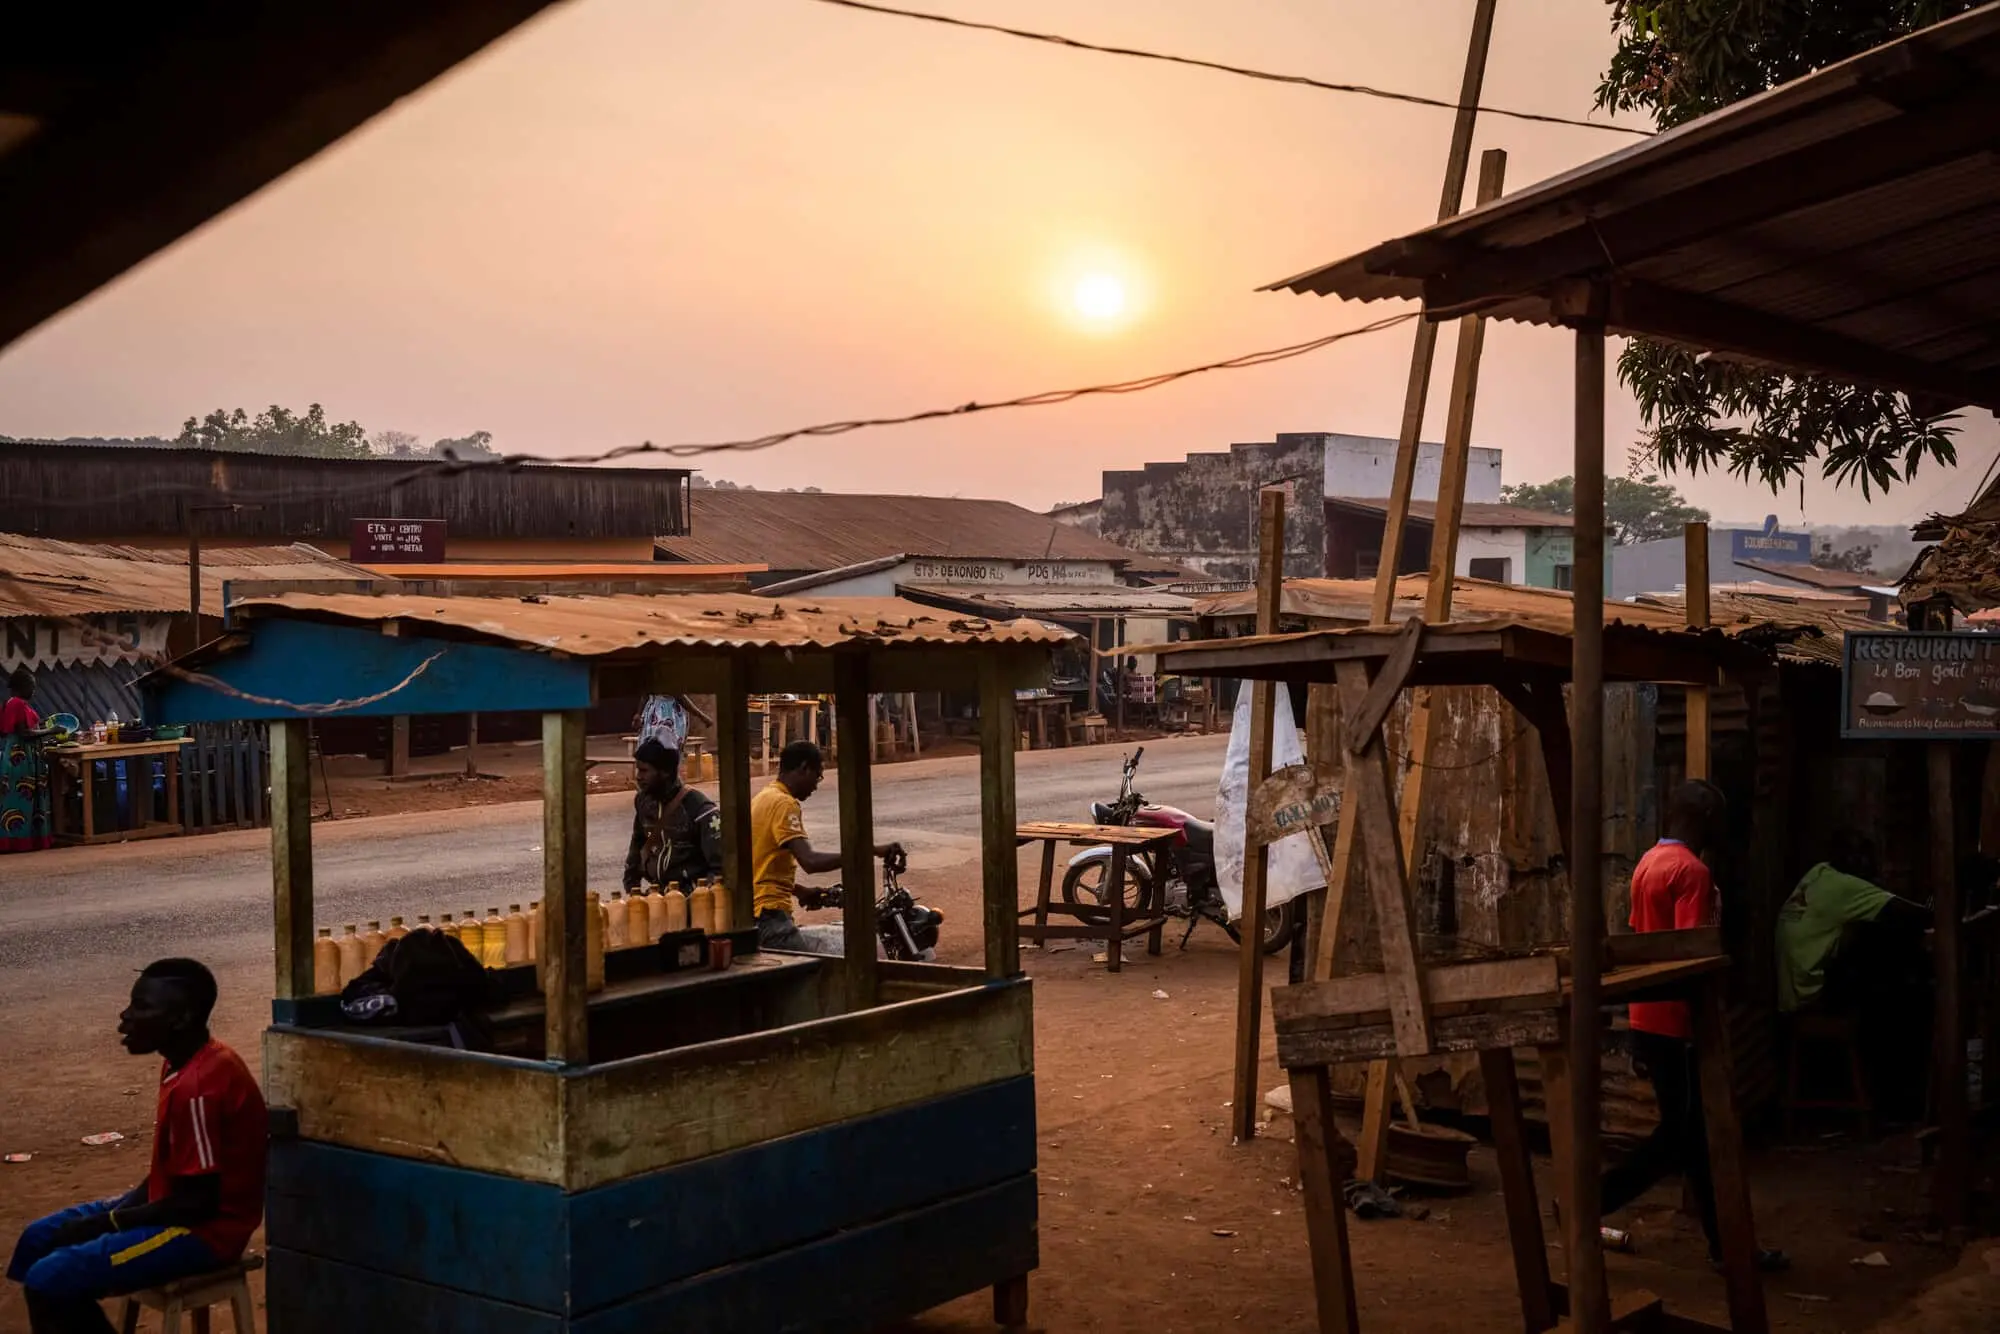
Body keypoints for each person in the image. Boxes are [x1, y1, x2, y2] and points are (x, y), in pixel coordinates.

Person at [9, 959, 266, 1333]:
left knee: (50, 1277)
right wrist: (104, 1220)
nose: (125, 1016)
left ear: (180, 1019)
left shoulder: (200, 1085)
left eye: (142, 1007)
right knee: (39, 1239)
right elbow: (171, 1177)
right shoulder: (180, 1063)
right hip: (175, 1206)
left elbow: (199, 1203)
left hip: (206, 1233)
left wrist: (109, 1222)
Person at [1601, 780, 1787, 1271]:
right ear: (1703, 817)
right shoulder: (1691, 871)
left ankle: (1727, 1248)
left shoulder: (1648, 863)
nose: (1723, 832)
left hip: (1649, 1017)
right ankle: (1589, 1202)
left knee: (1694, 1139)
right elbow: (1691, 956)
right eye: (1719, 820)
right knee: (1682, 1137)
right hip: (1677, 1022)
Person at [751, 740, 901, 955]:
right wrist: (867, 851)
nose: (816, 785)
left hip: (758, 911)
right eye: (818, 776)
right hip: (771, 917)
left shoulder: (763, 798)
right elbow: (810, 861)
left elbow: (761, 864)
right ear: (804, 768)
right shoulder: (784, 803)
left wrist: (801, 891)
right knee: (810, 977)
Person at [1776, 829, 1928, 1014]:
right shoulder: (1845, 885)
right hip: (1811, 995)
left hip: (1789, 993)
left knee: (1865, 934)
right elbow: (1913, 913)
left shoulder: (1819, 871)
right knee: (1893, 968)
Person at [623, 738, 722, 893]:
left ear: (665, 772)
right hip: (658, 897)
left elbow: (719, 868)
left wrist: (699, 898)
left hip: (692, 899)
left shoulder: (700, 809)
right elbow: (637, 845)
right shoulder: (643, 802)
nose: (638, 777)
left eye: (644, 771)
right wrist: (633, 890)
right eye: (638, 770)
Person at [1, 665, 52, 853]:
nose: (34, 691)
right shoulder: (17, 704)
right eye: (32, 686)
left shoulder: (12, 703)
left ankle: (21, 841)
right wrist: (51, 731)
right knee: (21, 800)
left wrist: (42, 728)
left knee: (20, 799)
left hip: (17, 753)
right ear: (21, 686)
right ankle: (18, 842)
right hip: (21, 756)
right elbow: (24, 733)